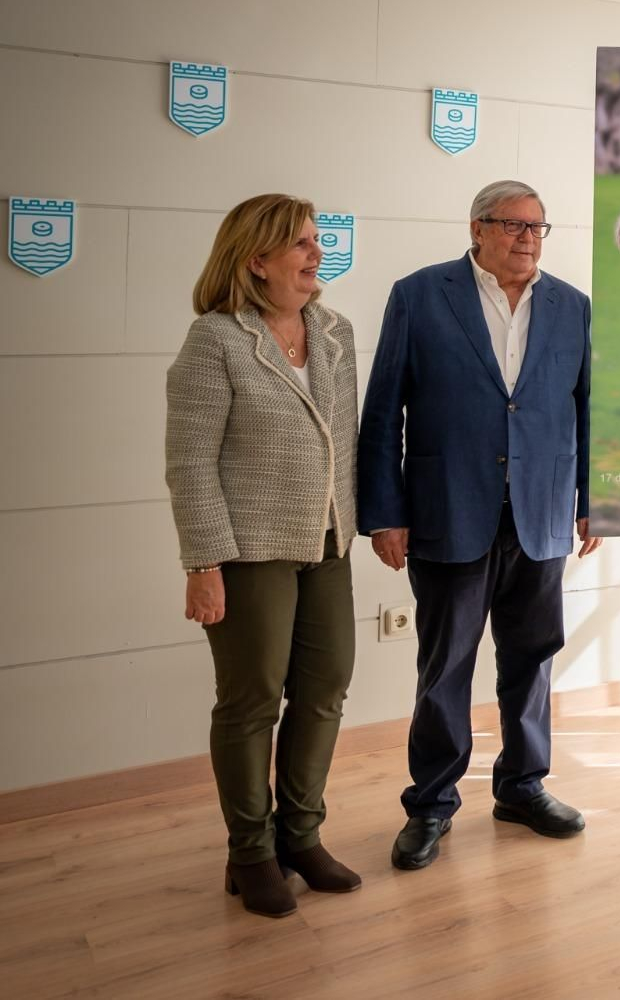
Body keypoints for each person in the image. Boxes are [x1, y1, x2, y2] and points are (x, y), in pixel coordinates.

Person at [359, 179, 601, 871]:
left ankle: (522, 787)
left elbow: (588, 410)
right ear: (477, 229)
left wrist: (595, 498)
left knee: (532, 659)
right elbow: (384, 410)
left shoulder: (573, 306)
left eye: (537, 227)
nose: (527, 239)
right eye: (512, 225)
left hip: (540, 512)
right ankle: (432, 804)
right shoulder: (419, 295)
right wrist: (386, 513)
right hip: (448, 509)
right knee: (445, 668)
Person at [165, 194, 361, 918]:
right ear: (256, 260)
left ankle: (299, 838)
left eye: (316, 240)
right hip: (249, 550)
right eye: (300, 244)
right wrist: (203, 565)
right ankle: (250, 853)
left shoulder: (334, 331)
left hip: (328, 540)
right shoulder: (214, 340)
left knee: (326, 687)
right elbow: (190, 462)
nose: (316, 253)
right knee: (251, 700)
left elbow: (345, 441)